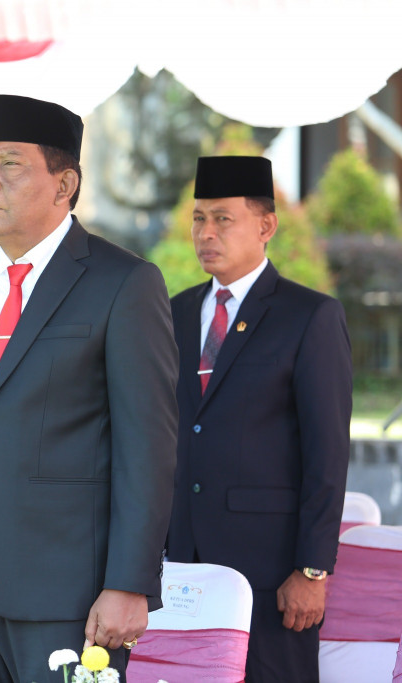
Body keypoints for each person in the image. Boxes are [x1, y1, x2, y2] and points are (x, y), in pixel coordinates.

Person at [0, 94, 179, 682]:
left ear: (64, 182)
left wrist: (128, 584)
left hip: (69, 593)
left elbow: (146, 450)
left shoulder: (123, 282)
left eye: (10, 165)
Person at [166, 156, 352, 682]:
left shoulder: (309, 315)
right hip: (180, 559)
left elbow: (327, 453)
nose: (206, 232)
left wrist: (312, 570)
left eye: (223, 219)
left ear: (266, 226)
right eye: (199, 219)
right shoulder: (174, 311)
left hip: (270, 570)